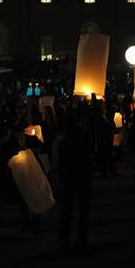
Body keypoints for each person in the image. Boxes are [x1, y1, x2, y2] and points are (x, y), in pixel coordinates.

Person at [57, 98, 96, 252]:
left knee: (66, 211)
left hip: (69, 179)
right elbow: (93, 127)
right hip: (84, 179)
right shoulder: (85, 139)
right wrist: (90, 104)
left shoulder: (63, 143)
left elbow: (61, 164)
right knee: (83, 211)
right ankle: (81, 240)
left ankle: (64, 241)